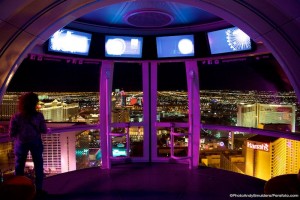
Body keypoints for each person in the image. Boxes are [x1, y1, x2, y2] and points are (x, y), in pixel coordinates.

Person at [9, 92, 48, 196]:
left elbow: (11, 133)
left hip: (20, 144)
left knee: (19, 167)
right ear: (34, 103)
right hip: (35, 142)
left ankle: (20, 190)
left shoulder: (16, 117)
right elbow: (43, 130)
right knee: (39, 166)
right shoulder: (38, 116)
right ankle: (38, 190)